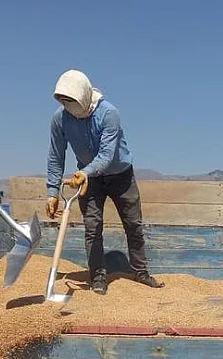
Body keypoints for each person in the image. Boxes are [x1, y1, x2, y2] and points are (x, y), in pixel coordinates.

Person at [45, 69, 163, 294]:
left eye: (73, 101)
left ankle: (140, 272)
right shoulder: (59, 119)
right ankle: (98, 277)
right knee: (92, 227)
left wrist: (86, 172)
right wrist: (52, 192)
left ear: (84, 96)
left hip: (120, 175)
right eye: (64, 102)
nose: (69, 106)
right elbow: (55, 155)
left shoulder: (109, 114)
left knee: (133, 224)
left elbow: (107, 155)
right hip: (89, 180)